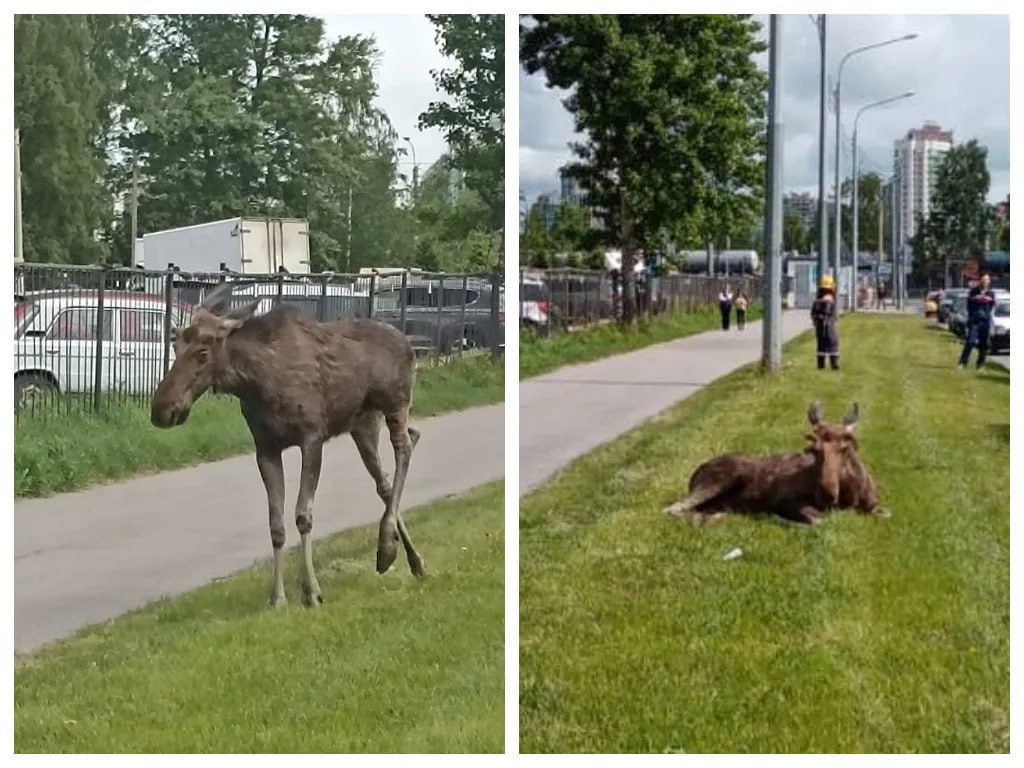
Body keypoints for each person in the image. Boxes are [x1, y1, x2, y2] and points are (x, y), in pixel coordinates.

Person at [957, 273, 996, 369]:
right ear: (980, 281)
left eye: (987, 280)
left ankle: (980, 364)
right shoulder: (973, 292)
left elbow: (991, 307)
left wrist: (986, 316)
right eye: (983, 280)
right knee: (970, 341)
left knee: (984, 344)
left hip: (985, 322)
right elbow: (969, 306)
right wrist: (972, 316)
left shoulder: (991, 293)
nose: (985, 282)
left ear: (989, 281)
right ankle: (963, 363)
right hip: (974, 321)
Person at [810, 275, 840, 370]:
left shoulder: (816, 301)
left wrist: (816, 322)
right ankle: (834, 364)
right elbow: (834, 316)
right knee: (833, 344)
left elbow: (813, 315)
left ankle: (821, 365)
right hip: (829, 327)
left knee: (821, 345)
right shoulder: (831, 301)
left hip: (819, 328)